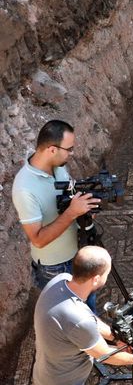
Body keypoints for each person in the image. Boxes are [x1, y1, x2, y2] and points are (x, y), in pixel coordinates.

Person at [33, 246, 133, 385]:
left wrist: (115, 338)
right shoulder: (79, 319)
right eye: (107, 274)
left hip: (46, 372)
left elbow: (88, 318)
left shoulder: (60, 280)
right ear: (96, 279)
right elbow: (105, 355)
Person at [11, 120, 100, 311]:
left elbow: (66, 200)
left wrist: (84, 211)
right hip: (55, 268)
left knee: (88, 308)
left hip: (76, 252)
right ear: (52, 149)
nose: (71, 153)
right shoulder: (24, 189)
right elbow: (38, 240)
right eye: (68, 149)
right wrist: (72, 212)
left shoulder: (58, 167)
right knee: (74, 316)